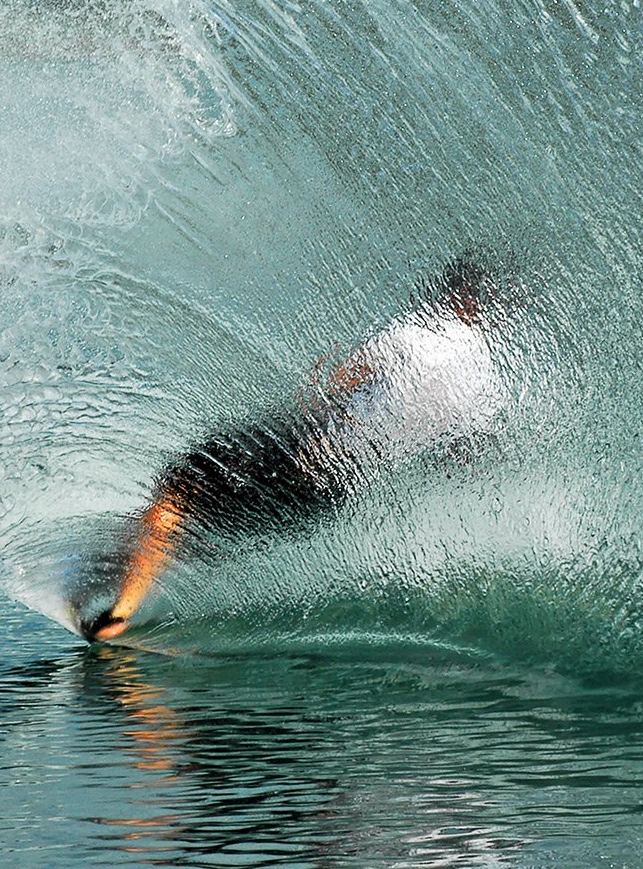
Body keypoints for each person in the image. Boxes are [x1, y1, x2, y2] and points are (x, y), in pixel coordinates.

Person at [80, 257, 508, 641]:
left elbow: (334, 387)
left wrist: (318, 390)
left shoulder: (415, 336)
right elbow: (463, 460)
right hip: (335, 494)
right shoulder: (487, 381)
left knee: (182, 486)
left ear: (454, 297)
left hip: (301, 452)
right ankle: (111, 576)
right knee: (211, 537)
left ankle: (119, 613)